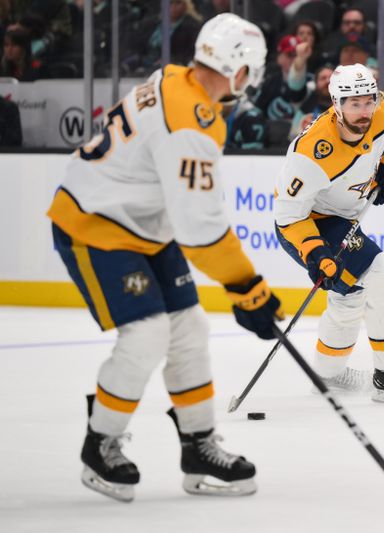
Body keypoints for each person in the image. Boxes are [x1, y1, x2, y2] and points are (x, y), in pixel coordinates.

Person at [46, 13, 283, 503]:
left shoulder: (175, 78)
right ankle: (100, 443)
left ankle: (198, 445)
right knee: (148, 332)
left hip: (143, 225)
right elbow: (201, 230)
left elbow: (189, 218)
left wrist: (244, 289)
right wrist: (247, 287)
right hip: (94, 224)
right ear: (242, 70)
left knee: (189, 327)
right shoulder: (190, 124)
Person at [274, 63, 384, 403]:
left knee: (349, 295)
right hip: (311, 223)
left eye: (369, 101)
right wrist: (316, 251)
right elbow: (288, 217)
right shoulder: (311, 153)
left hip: (345, 218)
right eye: (355, 104)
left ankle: (329, 375)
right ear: (336, 105)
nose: (365, 111)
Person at [253, 34, 309, 121]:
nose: (294, 59)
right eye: (290, 55)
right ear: (279, 57)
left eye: (297, 55)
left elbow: (297, 88)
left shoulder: (310, 82)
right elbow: (258, 109)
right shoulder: (270, 81)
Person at [143, 0, 202, 67]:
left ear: (186, 5)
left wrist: (170, 60)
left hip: (174, 68)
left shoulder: (192, 27)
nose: (173, 6)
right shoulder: (151, 23)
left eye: (178, 2)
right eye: (170, 3)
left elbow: (190, 54)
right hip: (144, 67)